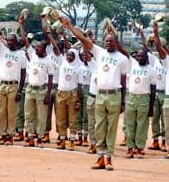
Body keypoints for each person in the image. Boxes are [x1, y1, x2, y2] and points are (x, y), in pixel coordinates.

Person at [60, 17, 128, 171]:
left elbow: (123, 83)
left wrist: (123, 102)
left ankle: (108, 158)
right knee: (99, 127)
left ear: (116, 42)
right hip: (100, 95)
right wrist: (69, 25)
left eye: (111, 41)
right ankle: (100, 157)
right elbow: (82, 38)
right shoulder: (100, 52)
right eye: (107, 41)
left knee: (111, 128)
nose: (109, 43)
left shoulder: (122, 59)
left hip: (114, 96)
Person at [0, 10, 26, 146]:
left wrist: (20, 91)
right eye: (8, 40)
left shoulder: (21, 55)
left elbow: (23, 74)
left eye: (11, 40)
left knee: (11, 112)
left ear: (16, 41)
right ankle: (3, 134)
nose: (9, 42)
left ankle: (10, 135)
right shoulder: (2, 50)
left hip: (13, 85)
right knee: (0, 112)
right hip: (1, 84)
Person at [19, 20, 54, 148]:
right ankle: (30, 137)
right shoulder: (33, 55)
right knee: (29, 115)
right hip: (30, 89)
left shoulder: (49, 61)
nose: (36, 49)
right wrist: (21, 25)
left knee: (41, 116)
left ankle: (39, 138)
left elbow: (50, 79)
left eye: (39, 47)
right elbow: (24, 40)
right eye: (36, 47)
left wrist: (48, 94)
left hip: (41, 90)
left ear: (44, 49)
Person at [125, 49, 156, 158]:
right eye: (138, 56)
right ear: (136, 57)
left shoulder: (151, 70)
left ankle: (139, 148)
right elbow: (124, 51)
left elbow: (153, 89)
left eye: (142, 56)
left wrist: (151, 107)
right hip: (131, 97)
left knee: (142, 125)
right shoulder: (132, 65)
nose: (140, 58)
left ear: (146, 57)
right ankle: (130, 148)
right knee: (129, 124)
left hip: (144, 99)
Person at [55, 48, 83, 151]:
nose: (69, 57)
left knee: (72, 118)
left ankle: (71, 141)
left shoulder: (79, 68)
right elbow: (57, 48)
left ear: (75, 57)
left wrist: (79, 101)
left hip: (73, 94)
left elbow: (79, 86)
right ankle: (62, 140)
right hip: (61, 93)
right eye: (68, 55)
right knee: (61, 118)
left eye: (71, 55)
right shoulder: (63, 62)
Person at [151, 22, 169, 159]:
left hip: (165, 94)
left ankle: (164, 142)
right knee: (157, 119)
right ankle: (157, 141)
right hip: (159, 93)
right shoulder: (161, 61)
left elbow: (159, 48)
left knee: (166, 120)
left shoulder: (166, 61)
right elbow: (156, 47)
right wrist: (155, 34)